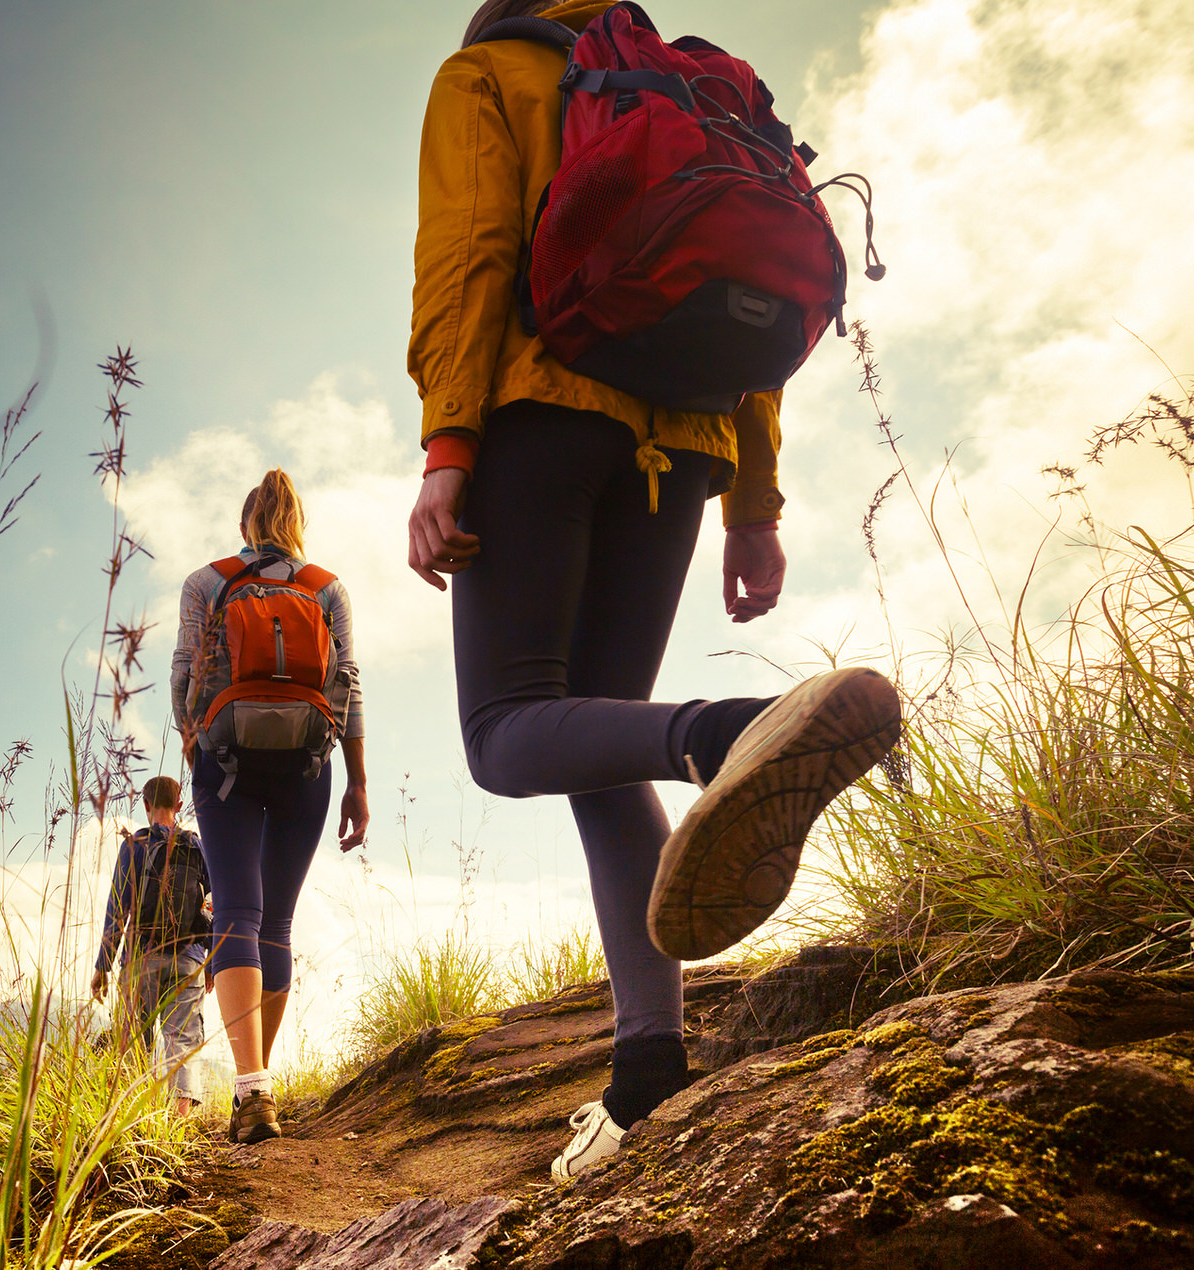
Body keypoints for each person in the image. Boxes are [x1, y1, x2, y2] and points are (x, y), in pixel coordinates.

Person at [405, 0, 902, 1179]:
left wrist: (446, 448)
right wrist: (752, 506)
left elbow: (468, 253)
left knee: (504, 730)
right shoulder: (695, 87)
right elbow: (757, 315)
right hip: (686, 443)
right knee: (596, 742)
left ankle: (728, 735)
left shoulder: (490, 73)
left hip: (542, 413)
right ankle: (646, 1074)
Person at [172, 469, 369, 1145]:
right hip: (307, 766)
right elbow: (349, 687)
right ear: (296, 526)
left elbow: (182, 676)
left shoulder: (207, 581)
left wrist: (196, 749)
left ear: (244, 527)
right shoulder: (326, 589)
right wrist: (356, 781)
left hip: (224, 761)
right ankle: (259, 1085)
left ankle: (250, 1085)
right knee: (276, 923)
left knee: (236, 914)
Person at [90, 775, 214, 1116]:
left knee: (133, 1041)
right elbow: (212, 903)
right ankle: (178, 1123)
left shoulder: (134, 845)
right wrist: (212, 962)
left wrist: (103, 965)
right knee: (183, 1040)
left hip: (140, 958)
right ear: (178, 805)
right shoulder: (199, 846)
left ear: (146, 806)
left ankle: (135, 1122)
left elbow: (117, 907)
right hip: (189, 958)